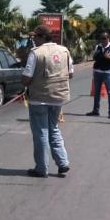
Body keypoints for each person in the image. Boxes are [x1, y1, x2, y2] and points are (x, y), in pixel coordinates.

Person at [21, 24, 73, 178]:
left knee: (41, 132)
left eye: (35, 37)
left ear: (42, 37)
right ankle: (63, 163)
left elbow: (27, 77)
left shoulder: (36, 53)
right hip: (58, 98)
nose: (34, 40)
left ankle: (41, 168)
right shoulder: (64, 51)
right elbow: (70, 74)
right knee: (54, 129)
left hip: (39, 99)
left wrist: (24, 83)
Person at [86, 32, 110, 119]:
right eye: (101, 38)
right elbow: (94, 57)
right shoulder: (98, 46)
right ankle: (95, 111)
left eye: (104, 38)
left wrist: (109, 57)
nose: (103, 40)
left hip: (108, 73)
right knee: (96, 92)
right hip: (97, 72)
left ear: (108, 39)